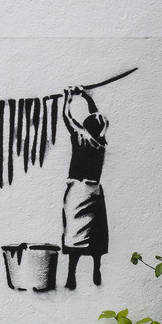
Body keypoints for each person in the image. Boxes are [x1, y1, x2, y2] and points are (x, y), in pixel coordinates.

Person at [60, 86, 109, 289]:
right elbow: (95, 116)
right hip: (94, 190)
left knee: (75, 233)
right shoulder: (101, 142)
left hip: (77, 191)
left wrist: (68, 98)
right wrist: (87, 96)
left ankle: (71, 275)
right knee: (96, 232)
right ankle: (96, 268)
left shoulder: (80, 137)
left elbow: (67, 118)